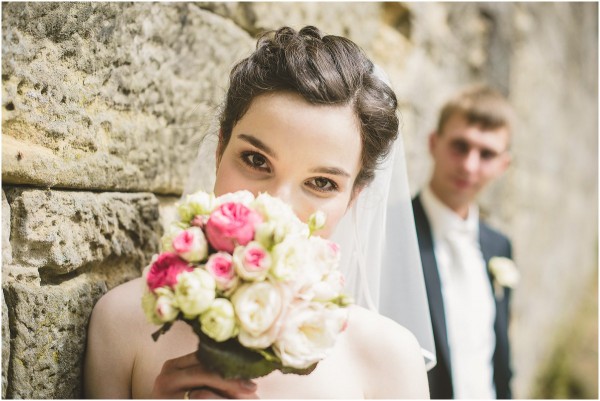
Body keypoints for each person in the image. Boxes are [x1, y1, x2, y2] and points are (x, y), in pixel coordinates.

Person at [84, 26, 431, 399]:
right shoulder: (122, 323)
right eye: (255, 160)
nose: (276, 206)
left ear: (353, 198)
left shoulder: (390, 358)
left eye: (322, 183)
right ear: (220, 151)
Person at [412, 85, 515, 399]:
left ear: (503, 165)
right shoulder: (394, 234)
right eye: (460, 146)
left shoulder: (500, 247)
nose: (470, 165)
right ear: (433, 143)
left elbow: (497, 355)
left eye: (486, 154)